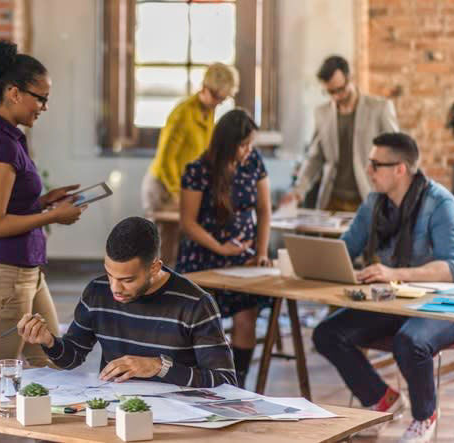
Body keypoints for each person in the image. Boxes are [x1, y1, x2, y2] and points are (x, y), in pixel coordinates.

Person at [312, 133, 454, 442]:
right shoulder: (374, 203)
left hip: (449, 305)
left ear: (400, 168)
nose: (368, 170)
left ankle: (425, 417)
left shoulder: (441, 204)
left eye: (376, 165)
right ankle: (383, 400)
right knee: (327, 333)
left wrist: (394, 273)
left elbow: (453, 269)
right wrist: (314, 263)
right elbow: (347, 249)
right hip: (396, 300)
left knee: (409, 341)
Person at [0, 40, 85, 366]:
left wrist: (45, 201)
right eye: (41, 98)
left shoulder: (9, 138)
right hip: (5, 281)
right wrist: (52, 217)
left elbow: (11, 205)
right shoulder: (2, 145)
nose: (44, 107)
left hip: (27, 276)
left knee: (50, 367)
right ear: (14, 93)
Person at [17, 216, 237, 388]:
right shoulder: (97, 292)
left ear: (155, 267)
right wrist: (48, 341)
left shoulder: (196, 304)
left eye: (127, 280)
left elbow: (226, 382)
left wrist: (158, 367)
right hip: (117, 409)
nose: (115, 288)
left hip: (181, 414)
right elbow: (72, 357)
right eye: (110, 274)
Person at [175, 109, 272, 389]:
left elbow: (264, 211)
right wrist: (220, 248)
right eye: (243, 144)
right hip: (203, 257)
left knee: (247, 317)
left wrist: (261, 252)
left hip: (243, 258)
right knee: (205, 322)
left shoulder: (253, 162)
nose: (248, 150)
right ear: (227, 143)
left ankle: (237, 384)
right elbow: (188, 223)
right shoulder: (197, 169)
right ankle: (206, 380)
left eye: (251, 144)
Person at [142, 63, 239, 265]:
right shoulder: (182, 114)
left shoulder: (208, 111)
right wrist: (178, 193)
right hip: (163, 186)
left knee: (180, 244)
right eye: (218, 97)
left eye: (224, 99)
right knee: (162, 248)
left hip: (183, 186)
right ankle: (156, 294)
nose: (219, 103)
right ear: (205, 88)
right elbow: (166, 160)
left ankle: (175, 291)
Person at [281, 55, 399, 211]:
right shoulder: (322, 113)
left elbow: (397, 154)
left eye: (340, 90)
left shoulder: (379, 109)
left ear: (351, 78)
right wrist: (298, 191)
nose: (336, 96)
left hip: (367, 198)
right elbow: (315, 158)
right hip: (331, 200)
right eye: (330, 92)